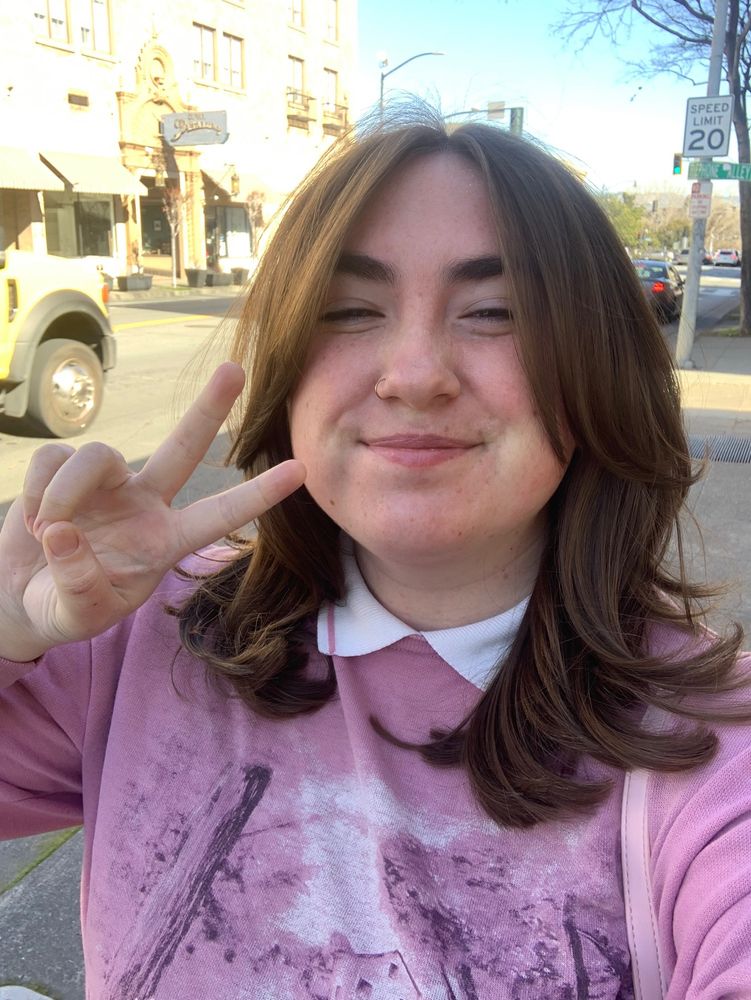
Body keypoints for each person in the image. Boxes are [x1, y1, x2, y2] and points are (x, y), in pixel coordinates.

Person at [1, 105, 750, 999]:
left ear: (597, 368)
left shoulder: (709, 747)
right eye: (351, 312)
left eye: (494, 313)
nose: (415, 375)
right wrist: (9, 627)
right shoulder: (138, 630)